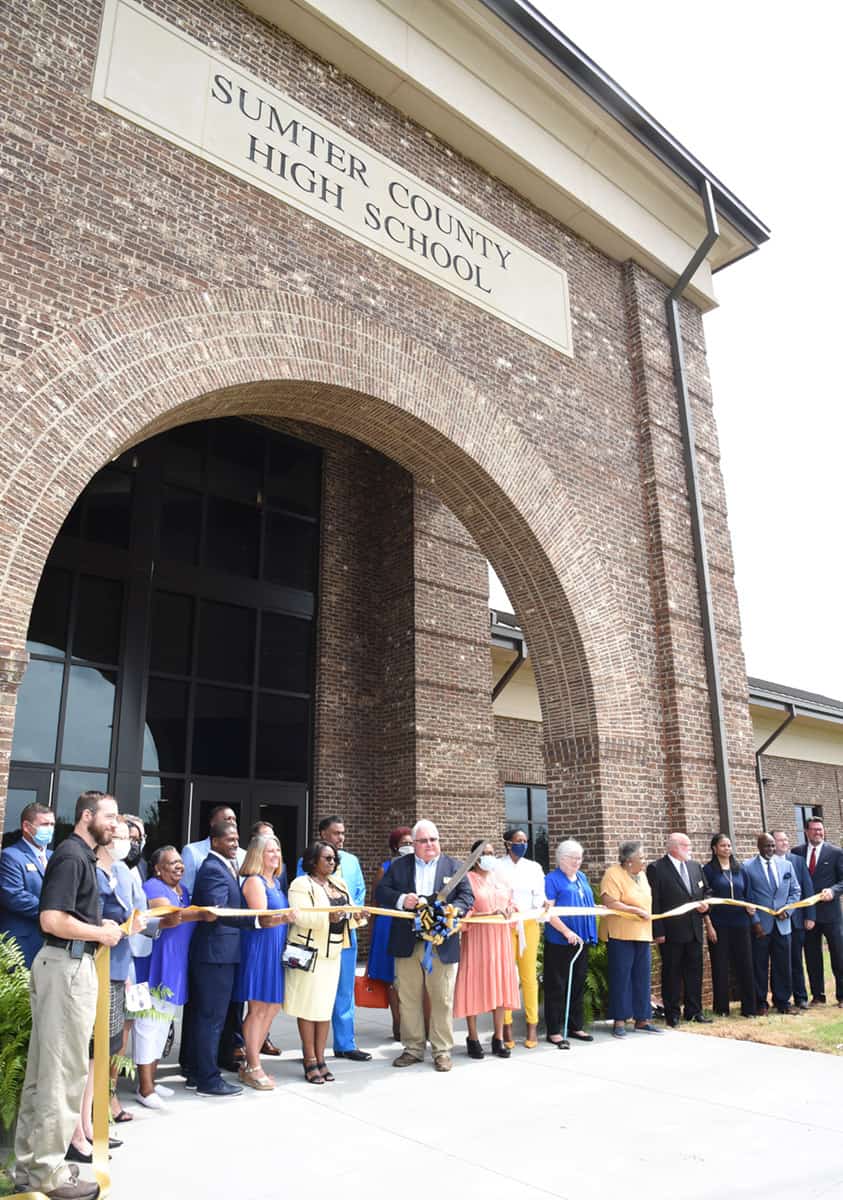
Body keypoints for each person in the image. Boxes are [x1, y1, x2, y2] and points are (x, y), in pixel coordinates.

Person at [13, 791, 124, 1200]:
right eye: (110, 817)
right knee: (63, 1075)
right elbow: (51, 919)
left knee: (46, 1073)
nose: (116, 825)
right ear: (87, 816)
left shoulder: (80, 856)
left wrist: (97, 922)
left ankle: (28, 1166)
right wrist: (101, 933)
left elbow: (67, 914)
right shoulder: (73, 856)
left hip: (67, 965)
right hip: (66, 968)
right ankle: (46, 1173)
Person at [375, 818, 474, 1072]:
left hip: (441, 943)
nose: (429, 844)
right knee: (408, 998)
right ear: (414, 844)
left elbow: (466, 896)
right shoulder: (399, 866)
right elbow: (382, 892)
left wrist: (455, 910)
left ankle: (442, 1051)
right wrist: (401, 900)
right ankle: (413, 1048)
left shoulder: (455, 866)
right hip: (407, 942)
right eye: (423, 841)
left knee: (442, 998)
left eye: (433, 839)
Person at [284, 840, 363, 1084]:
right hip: (310, 953)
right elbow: (301, 916)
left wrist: (357, 916)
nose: (332, 862)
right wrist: (329, 917)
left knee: (324, 1009)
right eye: (327, 858)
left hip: (334, 953)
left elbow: (349, 914)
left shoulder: (338, 883)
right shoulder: (301, 884)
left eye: (334, 859)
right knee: (308, 1007)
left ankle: (321, 1058)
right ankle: (309, 1060)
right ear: (312, 861)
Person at [133, 846, 205, 1108]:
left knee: (163, 1025)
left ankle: (152, 1079)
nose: (178, 866)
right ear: (158, 868)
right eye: (171, 863)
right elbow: (170, 916)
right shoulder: (152, 887)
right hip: (153, 964)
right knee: (147, 1025)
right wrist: (202, 912)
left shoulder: (183, 891)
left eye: (179, 862)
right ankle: (144, 1087)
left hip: (175, 965)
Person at [299, 815, 370, 1062]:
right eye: (336, 833)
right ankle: (311, 1052)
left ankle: (345, 1043)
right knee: (316, 993)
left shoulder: (352, 861)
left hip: (345, 936)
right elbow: (305, 894)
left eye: (343, 833)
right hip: (318, 938)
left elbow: (358, 892)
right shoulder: (306, 861)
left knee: (344, 990)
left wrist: (353, 914)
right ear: (322, 834)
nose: (341, 837)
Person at [182, 822, 246, 1097]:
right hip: (215, 955)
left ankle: (198, 1073)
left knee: (206, 1016)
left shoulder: (223, 866)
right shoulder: (213, 869)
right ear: (214, 841)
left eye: (237, 839)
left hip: (219, 953)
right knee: (211, 1018)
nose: (234, 844)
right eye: (229, 839)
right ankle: (209, 1079)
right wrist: (255, 920)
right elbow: (218, 912)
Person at [233, 834, 296, 1090]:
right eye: (270, 851)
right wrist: (287, 916)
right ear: (258, 854)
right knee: (258, 1009)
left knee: (272, 1007)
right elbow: (263, 917)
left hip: (276, 948)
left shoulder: (276, 882)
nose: (275, 855)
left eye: (278, 850)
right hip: (260, 949)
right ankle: (253, 1065)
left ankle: (252, 1061)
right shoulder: (254, 882)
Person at [454, 840, 519, 1059]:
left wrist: (510, 909)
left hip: (500, 941)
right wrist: (486, 915)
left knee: (499, 987)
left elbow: (512, 904)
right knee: (474, 986)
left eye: (492, 853)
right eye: (484, 853)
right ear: (474, 857)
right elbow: (462, 912)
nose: (489, 857)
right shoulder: (466, 880)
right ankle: (472, 1037)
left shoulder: (499, 879)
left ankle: (498, 1037)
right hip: (477, 939)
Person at [646, 832, 711, 1026]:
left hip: (694, 930)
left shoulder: (695, 866)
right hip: (671, 932)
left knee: (694, 972)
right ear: (674, 847)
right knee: (672, 973)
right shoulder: (657, 868)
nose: (689, 849)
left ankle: (694, 1011)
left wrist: (706, 905)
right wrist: (658, 931)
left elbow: (707, 891)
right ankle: (672, 1013)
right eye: (686, 845)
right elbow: (655, 902)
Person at [600, 839, 660, 1038]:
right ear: (628, 861)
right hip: (620, 933)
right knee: (621, 977)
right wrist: (634, 910)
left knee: (642, 977)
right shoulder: (613, 874)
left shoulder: (642, 875)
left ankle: (642, 1019)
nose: (644, 861)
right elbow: (609, 901)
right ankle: (619, 1020)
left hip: (642, 933)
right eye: (640, 857)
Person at [543, 839, 597, 1045]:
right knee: (557, 985)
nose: (578, 862)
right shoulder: (552, 879)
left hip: (581, 940)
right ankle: (555, 1030)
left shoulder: (581, 877)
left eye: (580, 858)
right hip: (560, 941)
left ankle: (575, 1026)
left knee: (577, 984)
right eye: (574, 858)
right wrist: (566, 932)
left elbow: (586, 903)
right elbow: (548, 912)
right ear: (561, 859)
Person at [496, 827, 546, 1049]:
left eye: (525, 840)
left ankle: (531, 1026)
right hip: (505, 925)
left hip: (529, 924)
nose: (523, 844)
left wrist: (543, 904)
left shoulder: (534, 867)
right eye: (518, 840)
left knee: (529, 977)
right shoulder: (497, 866)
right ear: (508, 843)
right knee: (506, 977)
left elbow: (540, 895)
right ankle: (506, 1027)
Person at [743, 832, 801, 1015]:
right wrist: (755, 922)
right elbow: (747, 897)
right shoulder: (747, 867)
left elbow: (795, 891)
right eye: (766, 846)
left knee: (783, 965)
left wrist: (788, 910)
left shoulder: (787, 865)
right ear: (758, 846)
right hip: (761, 926)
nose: (770, 849)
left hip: (783, 926)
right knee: (760, 965)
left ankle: (783, 1002)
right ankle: (761, 1003)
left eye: (772, 846)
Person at [701, 833, 757, 1018]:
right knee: (720, 965)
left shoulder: (740, 869)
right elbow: (705, 899)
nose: (727, 849)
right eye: (723, 845)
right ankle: (722, 1008)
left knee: (745, 965)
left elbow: (748, 894)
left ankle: (749, 1007)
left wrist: (750, 907)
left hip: (741, 924)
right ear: (714, 848)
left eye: (729, 845)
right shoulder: (708, 870)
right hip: (719, 924)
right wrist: (709, 925)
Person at [367, 826, 415, 1041]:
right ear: (395, 846)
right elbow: (376, 899)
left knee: (409, 978)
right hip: (387, 925)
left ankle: (412, 1022)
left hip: (410, 925)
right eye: (405, 843)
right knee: (392, 978)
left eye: (411, 843)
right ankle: (397, 1024)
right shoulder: (385, 868)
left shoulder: (417, 868)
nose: (409, 846)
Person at [790, 817, 843, 1006]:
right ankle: (818, 996)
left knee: (838, 955)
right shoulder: (796, 853)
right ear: (806, 831)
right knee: (812, 956)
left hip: (831, 915)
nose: (817, 833)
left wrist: (834, 891)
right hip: (808, 916)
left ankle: (842, 996)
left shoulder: (836, 852)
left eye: (820, 829)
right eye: (813, 830)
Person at [0, 801, 55, 965]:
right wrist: (51, 912)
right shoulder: (11, 856)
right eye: (45, 824)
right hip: (21, 944)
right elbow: (14, 896)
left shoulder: (55, 857)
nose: (50, 828)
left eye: (52, 824)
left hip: (50, 945)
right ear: (26, 826)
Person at [773, 829, 815, 1009]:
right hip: (775, 922)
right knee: (778, 962)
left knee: (796, 960)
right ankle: (779, 998)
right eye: (780, 840)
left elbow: (807, 888)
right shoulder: (768, 863)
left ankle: (801, 997)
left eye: (786, 840)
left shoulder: (797, 861)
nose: (784, 843)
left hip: (796, 919)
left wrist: (810, 915)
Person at [180, 805, 246, 894]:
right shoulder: (192, 851)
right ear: (213, 823)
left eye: (234, 819)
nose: (232, 822)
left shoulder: (243, 854)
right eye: (228, 819)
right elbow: (186, 890)